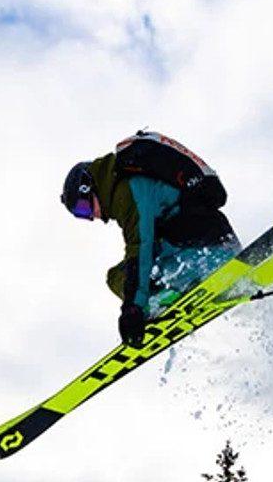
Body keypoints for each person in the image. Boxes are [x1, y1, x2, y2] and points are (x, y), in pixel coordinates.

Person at [61, 131, 241, 346]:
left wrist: (133, 307)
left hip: (205, 239)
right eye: (82, 216)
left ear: (88, 187)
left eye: (84, 208)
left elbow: (140, 245)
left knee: (132, 271)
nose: (91, 216)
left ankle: (177, 286)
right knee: (116, 276)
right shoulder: (122, 190)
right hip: (195, 239)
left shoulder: (127, 190)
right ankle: (168, 292)